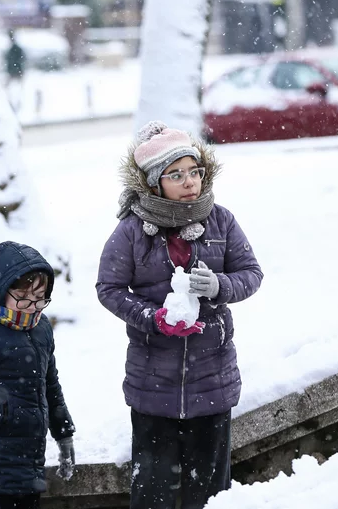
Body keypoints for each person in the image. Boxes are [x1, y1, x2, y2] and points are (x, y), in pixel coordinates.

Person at [96, 121, 263, 509]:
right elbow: (109, 289)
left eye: (195, 171)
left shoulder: (221, 220)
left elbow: (251, 274)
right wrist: (153, 318)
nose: (190, 182)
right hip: (152, 383)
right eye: (176, 175)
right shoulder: (132, 231)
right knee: (152, 494)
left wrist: (219, 285)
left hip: (213, 382)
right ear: (155, 183)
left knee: (211, 496)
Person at [0, 241, 76, 509]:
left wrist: (63, 432)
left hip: (28, 468)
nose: (32, 307)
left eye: (40, 298)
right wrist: (2, 414)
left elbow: (50, 384)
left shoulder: (40, 328)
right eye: (23, 298)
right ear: (2, 291)